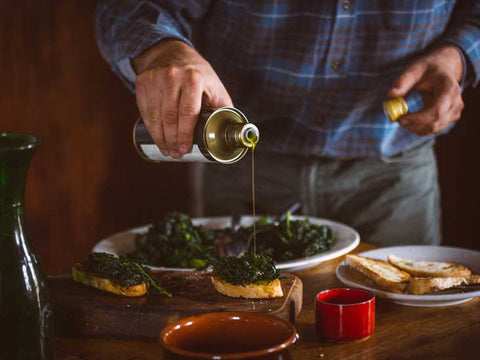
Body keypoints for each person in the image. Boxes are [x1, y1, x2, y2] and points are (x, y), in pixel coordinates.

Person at [95, 1, 479, 246]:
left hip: (395, 179)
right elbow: (124, 7)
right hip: (245, 170)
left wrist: (458, 57)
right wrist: (162, 49)